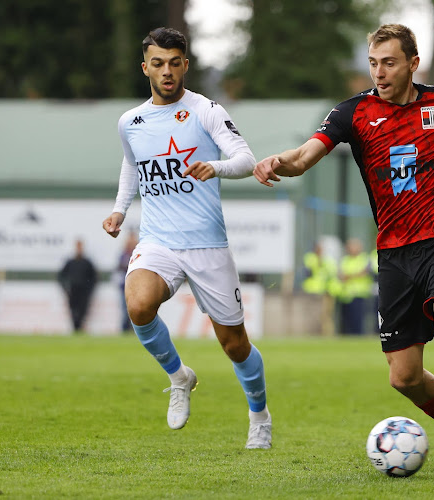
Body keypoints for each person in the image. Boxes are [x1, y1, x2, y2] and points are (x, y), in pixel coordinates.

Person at [254, 24, 434, 474]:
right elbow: (303, 158)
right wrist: (276, 160)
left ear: (413, 63)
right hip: (395, 254)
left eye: (390, 62)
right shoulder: (352, 114)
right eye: (374, 62)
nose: (379, 72)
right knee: (405, 377)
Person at [101, 27, 271, 449]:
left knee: (234, 344)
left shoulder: (206, 110)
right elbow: (132, 166)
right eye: (158, 63)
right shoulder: (131, 121)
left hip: (207, 244)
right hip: (158, 240)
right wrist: (121, 208)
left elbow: (246, 159)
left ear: (185, 65)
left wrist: (215, 167)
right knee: (138, 304)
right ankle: (179, 376)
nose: (167, 72)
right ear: (145, 68)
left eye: (175, 63)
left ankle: (259, 416)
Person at [58, 239, 97, 332]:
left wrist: (89, 289)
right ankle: (76, 328)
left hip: (84, 292)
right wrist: (66, 288)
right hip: (73, 291)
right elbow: (61, 276)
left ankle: (79, 328)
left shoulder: (87, 262)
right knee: (74, 311)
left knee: (83, 311)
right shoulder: (70, 262)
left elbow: (94, 277)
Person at [302, 242, 339, 336]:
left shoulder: (328, 260)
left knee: (325, 315)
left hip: (326, 291)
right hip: (313, 291)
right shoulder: (311, 258)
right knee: (314, 315)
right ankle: (315, 333)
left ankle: (327, 334)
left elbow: (331, 274)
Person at [337, 238, 373, 335]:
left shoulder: (364, 258)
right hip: (346, 295)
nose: (350, 248)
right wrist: (352, 276)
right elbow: (340, 275)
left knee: (357, 321)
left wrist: (349, 276)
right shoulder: (345, 259)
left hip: (359, 294)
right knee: (346, 322)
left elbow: (365, 272)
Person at [115, 231, 139, 333]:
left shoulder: (138, 255)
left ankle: (135, 329)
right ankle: (125, 329)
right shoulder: (123, 255)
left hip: (136, 287)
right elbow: (120, 268)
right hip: (125, 287)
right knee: (126, 310)